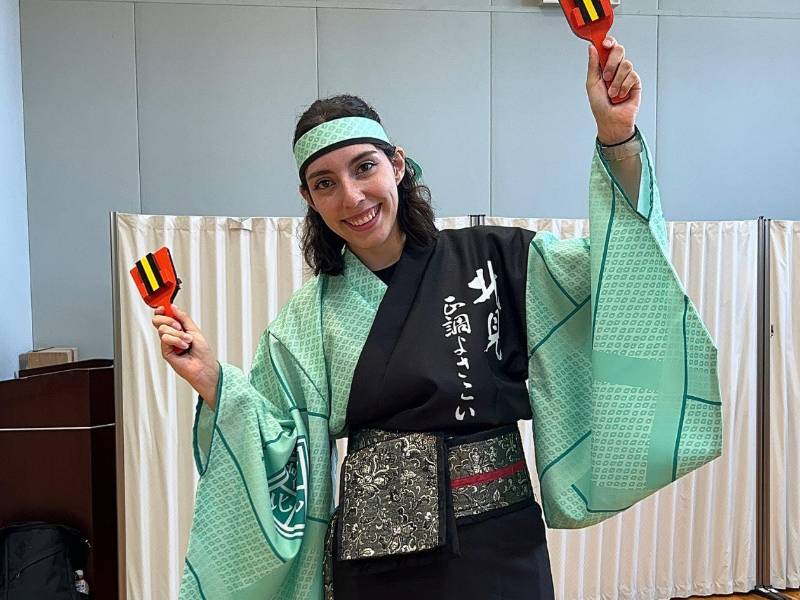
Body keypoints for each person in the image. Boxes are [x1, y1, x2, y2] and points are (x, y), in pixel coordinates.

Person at [153, 36, 721, 600]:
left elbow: (621, 272)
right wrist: (213, 380)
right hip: (376, 563)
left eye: (364, 168)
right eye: (326, 183)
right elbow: (277, 441)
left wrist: (617, 138)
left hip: (498, 545)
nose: (351, 197)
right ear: (309, 198)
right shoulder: (307, 317)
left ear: (397, 166)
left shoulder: (494, 260)